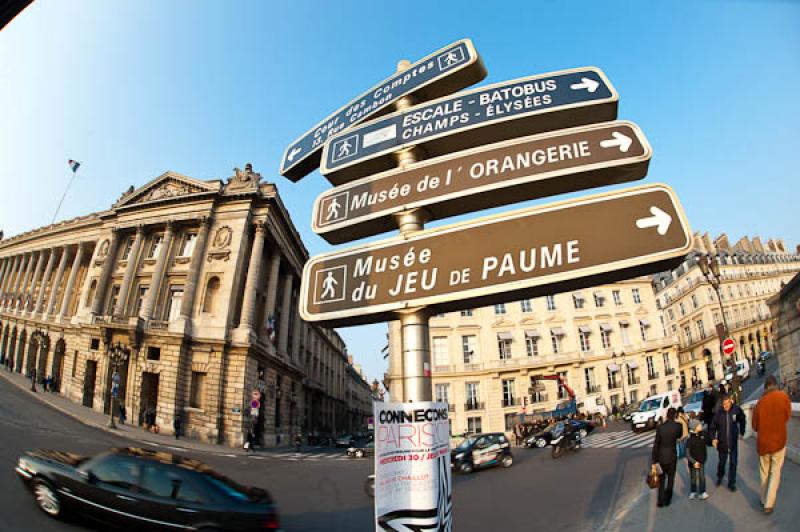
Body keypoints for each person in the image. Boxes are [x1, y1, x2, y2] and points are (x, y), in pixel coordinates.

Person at [752, 375, 792, 514]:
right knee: (775, 472)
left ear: (765, 387)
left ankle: (763, 499)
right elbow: (787, 416)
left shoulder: (759, 403)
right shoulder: (783, 397)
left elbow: (754, 426)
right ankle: (768, 503)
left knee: (764, 473)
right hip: (779, 441)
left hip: (763, 444)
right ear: (775, 384)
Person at [709, 394, 746, 491]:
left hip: (733, 442)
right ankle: (720, 476)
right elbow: (712, 427)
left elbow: (742, 419)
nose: (725, 406)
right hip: (722, 443)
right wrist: (713, 438)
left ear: (730, 401)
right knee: (722, 462)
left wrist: (742, 432)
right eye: (723, 404)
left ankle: (731, 483)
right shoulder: (718, 413)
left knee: (733, 463)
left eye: (727, 404)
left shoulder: (736, 410)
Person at [651, 407, 682, 507]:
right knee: (671, 479)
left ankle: (660, 501)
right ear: (675, 415)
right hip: (672, 457)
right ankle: (668, 499)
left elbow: (656, 444)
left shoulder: (660, 427)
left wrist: (654, 461)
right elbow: (679, 436)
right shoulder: (678, 426)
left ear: (667, 415)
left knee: (661, 479)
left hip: (661, 458)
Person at [686, 419, 709, 500]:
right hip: (693, 462)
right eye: (699, 425)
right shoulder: (689, 440)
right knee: (693, 477)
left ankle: (703, 492)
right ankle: (693, 491)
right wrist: (694, 462)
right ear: (695, 427)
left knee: (702, 476)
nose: (700, 426)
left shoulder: (702, 435)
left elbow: (708, 441)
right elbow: (687, 454)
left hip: (702, 460)